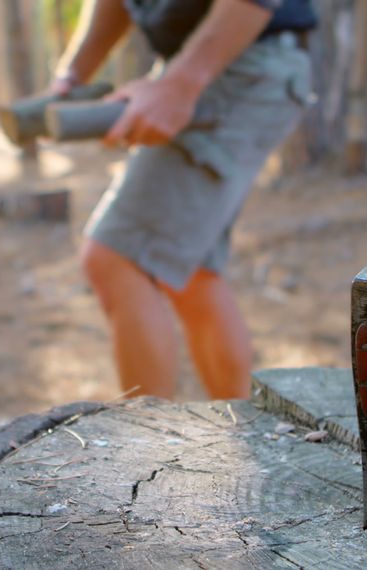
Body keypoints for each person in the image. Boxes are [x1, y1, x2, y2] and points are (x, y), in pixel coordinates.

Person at [52, 0, 316, 400]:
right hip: (216, 60)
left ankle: (150, 454)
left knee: (118, 259)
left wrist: (179, 85)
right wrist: (73, 76)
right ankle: (245, 435)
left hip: (240, 57)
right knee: (190, 271)